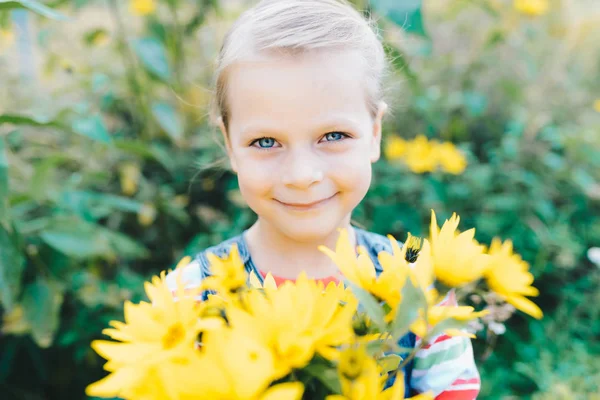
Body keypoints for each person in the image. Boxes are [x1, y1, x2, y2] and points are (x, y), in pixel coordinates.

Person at [166, 0, 480, 398]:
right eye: (266, 141)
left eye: (333, 136)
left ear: (375, 133)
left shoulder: (421, 290)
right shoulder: (189, 297)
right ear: (229, 144)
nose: (301, 175)